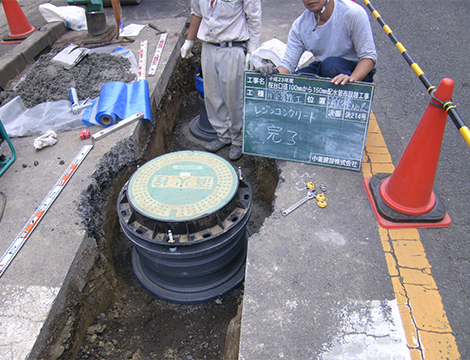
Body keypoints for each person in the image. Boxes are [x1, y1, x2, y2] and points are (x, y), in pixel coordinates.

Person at [180, 0, 262, 160]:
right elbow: (196, 12)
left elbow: (254, 17)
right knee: (213, 97)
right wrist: (189, 40)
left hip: (232, 48)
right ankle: (223, 136)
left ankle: (238, 140)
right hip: (209, 46)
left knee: (234, 98)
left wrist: (253, 51)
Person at [276, 0, 377, 85]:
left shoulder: (353, 13)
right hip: (324, 68)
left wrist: (351, 79)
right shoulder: (300, 25)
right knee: (295, 81)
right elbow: (288, 64)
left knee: (332, 65)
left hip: (354, 71)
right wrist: (271, 74)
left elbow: (368, 57)